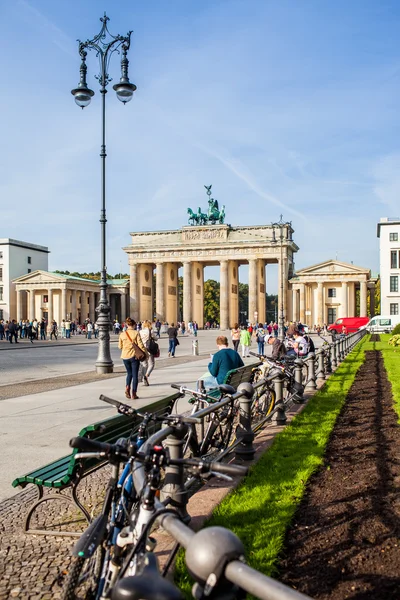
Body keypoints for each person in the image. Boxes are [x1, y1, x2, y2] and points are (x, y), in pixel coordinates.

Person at [118, 317, 147, 400]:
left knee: (129, 373)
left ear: (127, 325)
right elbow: (141, 345)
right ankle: (134, 393)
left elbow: (120, 346)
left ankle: (127, 387)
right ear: (134, 325)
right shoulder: (136, 333)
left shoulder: (122, 334)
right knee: (135, 375)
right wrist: (145, 354)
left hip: (125, 356)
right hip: (134, 356)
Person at [139, 320, 158, 386]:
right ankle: (146, 376)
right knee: (151, 364)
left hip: (142, 349)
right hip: (149, 349)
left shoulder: (140, 332)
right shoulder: (150, 331)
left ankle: (144, 377)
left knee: (144, 364)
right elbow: (156, 338)